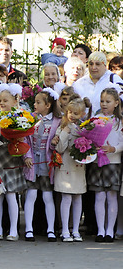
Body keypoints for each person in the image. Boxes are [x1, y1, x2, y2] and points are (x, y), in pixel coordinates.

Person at [0, 83, 28, 241]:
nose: (2, 103)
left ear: (15, 100)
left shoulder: (20, 116)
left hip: (12, 159)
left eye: (5, 100)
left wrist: (16, 135)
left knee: (11, 195)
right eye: (0, 101)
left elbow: (24, 136)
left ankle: (13, 230)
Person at [23, 89, 62, 242]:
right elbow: (25, 139)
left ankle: (51, 229)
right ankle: (29, 229)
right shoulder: (30, 119)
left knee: (47, 196)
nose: (35, 104)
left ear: (47, 105)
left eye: (38, 102)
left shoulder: (57, 121)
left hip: (46, 164)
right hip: (33, 163)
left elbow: (56, 142)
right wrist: (26, 156)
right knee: (31, 194)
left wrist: (53, 145)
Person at [86, 87, 123, 242]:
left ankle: (110, 231)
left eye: (108, 101)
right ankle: (100, 230)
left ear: (116, 103)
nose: (104, 104)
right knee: (99, 196)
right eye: (102, 101)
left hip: (113, 162)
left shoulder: (119, 121)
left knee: (111, 196)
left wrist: (113, 148)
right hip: (97, 162)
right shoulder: (95, 119)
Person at [54, 96, 90, 242]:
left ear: (81, 114)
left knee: (77, 197)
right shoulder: (62, 127)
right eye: (70, 112)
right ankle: (65, 230)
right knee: (66, 197)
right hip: (65, 167)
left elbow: (89, 149)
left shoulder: (85, 127)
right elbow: (59, 148)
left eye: (76, 113)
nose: (72, 116)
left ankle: (75, 229)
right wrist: (65, 132)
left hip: (78, 168)